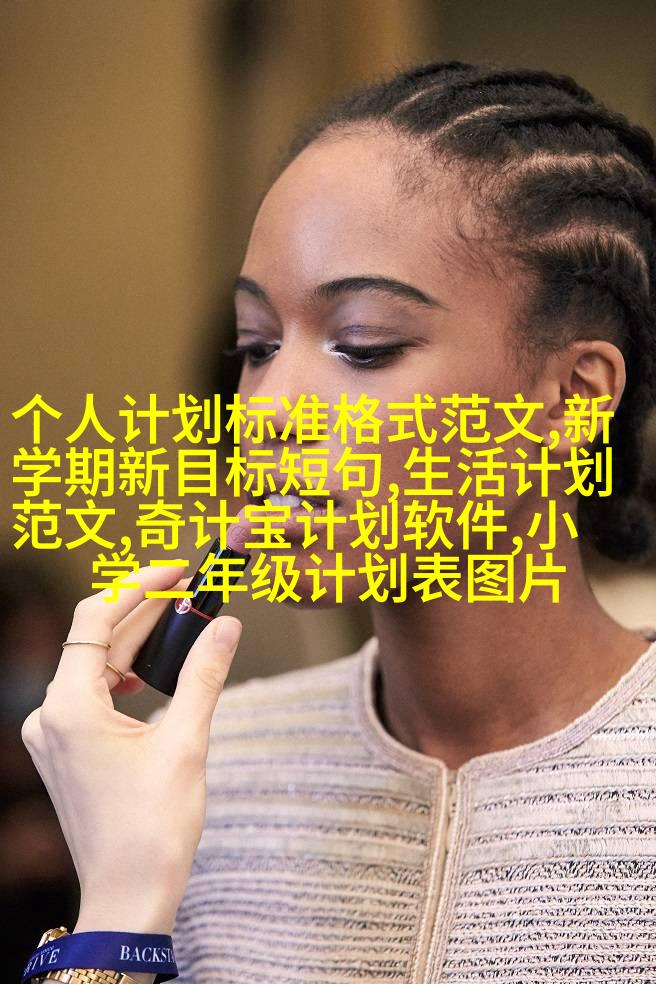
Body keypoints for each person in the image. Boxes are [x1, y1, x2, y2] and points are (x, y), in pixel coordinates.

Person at [21, 61, 656, 984]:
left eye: (363, 346)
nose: (266, 412)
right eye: (257, 347)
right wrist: (119, 901)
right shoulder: (197, 776)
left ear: (573, 398)